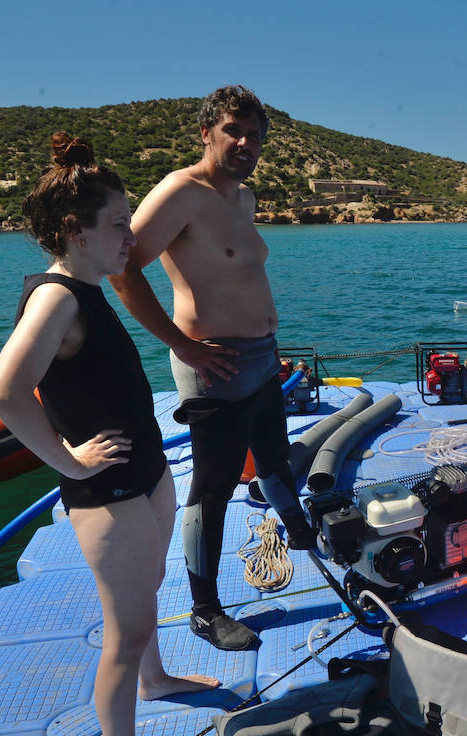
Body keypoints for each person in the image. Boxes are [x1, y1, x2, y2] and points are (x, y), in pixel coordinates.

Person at [0, 132, 219, 736]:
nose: (131, 235)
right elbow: (4, 393)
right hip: (105, 487)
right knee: (127, 629)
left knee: (146, 596)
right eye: (119, 224)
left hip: (142, 473)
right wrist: (69, 459)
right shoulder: (56, 298)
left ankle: (157, 680)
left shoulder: (89, 288)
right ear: (74, 231)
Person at [109, 85, 315, 653]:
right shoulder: (181, 192)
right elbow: (123, 270)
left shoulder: (242, 199)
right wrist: (182, 344)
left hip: (261, 356)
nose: (245, 143)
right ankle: (205, 609)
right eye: (233, 131)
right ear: (207, 133)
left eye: (254, 135)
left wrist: (270, 343)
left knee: (273, 454)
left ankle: (297, 528)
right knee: (215, 485)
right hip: (213, 363)